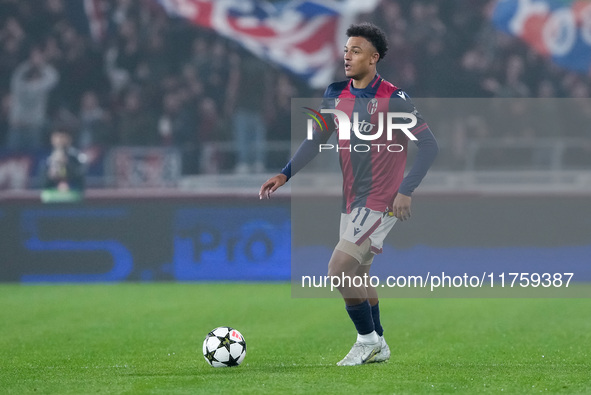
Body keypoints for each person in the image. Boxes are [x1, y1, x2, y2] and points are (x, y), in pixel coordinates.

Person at [259, 23, 439, 366]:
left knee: (338, 269)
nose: (347, 56)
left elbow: (429, 146)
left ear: (373, 58)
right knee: (358, 275)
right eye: (346, 50)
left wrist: (406, 191)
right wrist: (285, 173)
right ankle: (380, 343)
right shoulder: (335, 93)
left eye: (355, 51)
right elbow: (316, 139)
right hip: (354, 199)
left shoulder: (394, 98)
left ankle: (366, 340)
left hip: (382, 200)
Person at [42, 127, 86, 195]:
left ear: (69, 139)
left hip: (73, 194)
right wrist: (50, 175)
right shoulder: (47, 160)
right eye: (57, 137)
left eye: (62, 137)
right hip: (52, 197)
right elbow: (41, 184)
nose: (60, 140)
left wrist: (67, 164)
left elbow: (81, 180)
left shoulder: (77, 157)